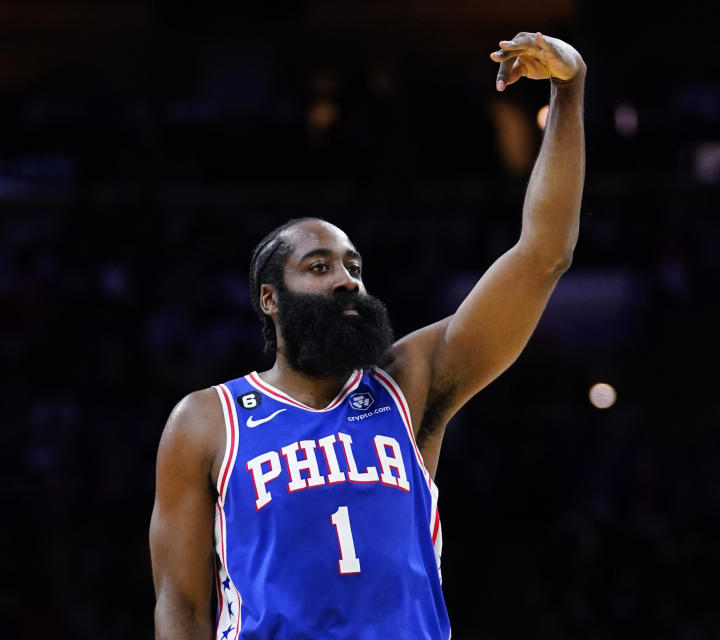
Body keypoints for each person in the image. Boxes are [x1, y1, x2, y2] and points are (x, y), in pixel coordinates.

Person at [149, 31, 586, 639]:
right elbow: (181, 606)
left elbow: (542, 255)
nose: (346, 281)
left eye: (354, 266)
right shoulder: (206, 421)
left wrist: (569, 91)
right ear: (269, 300)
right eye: (320, 267)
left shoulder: (407, 384)